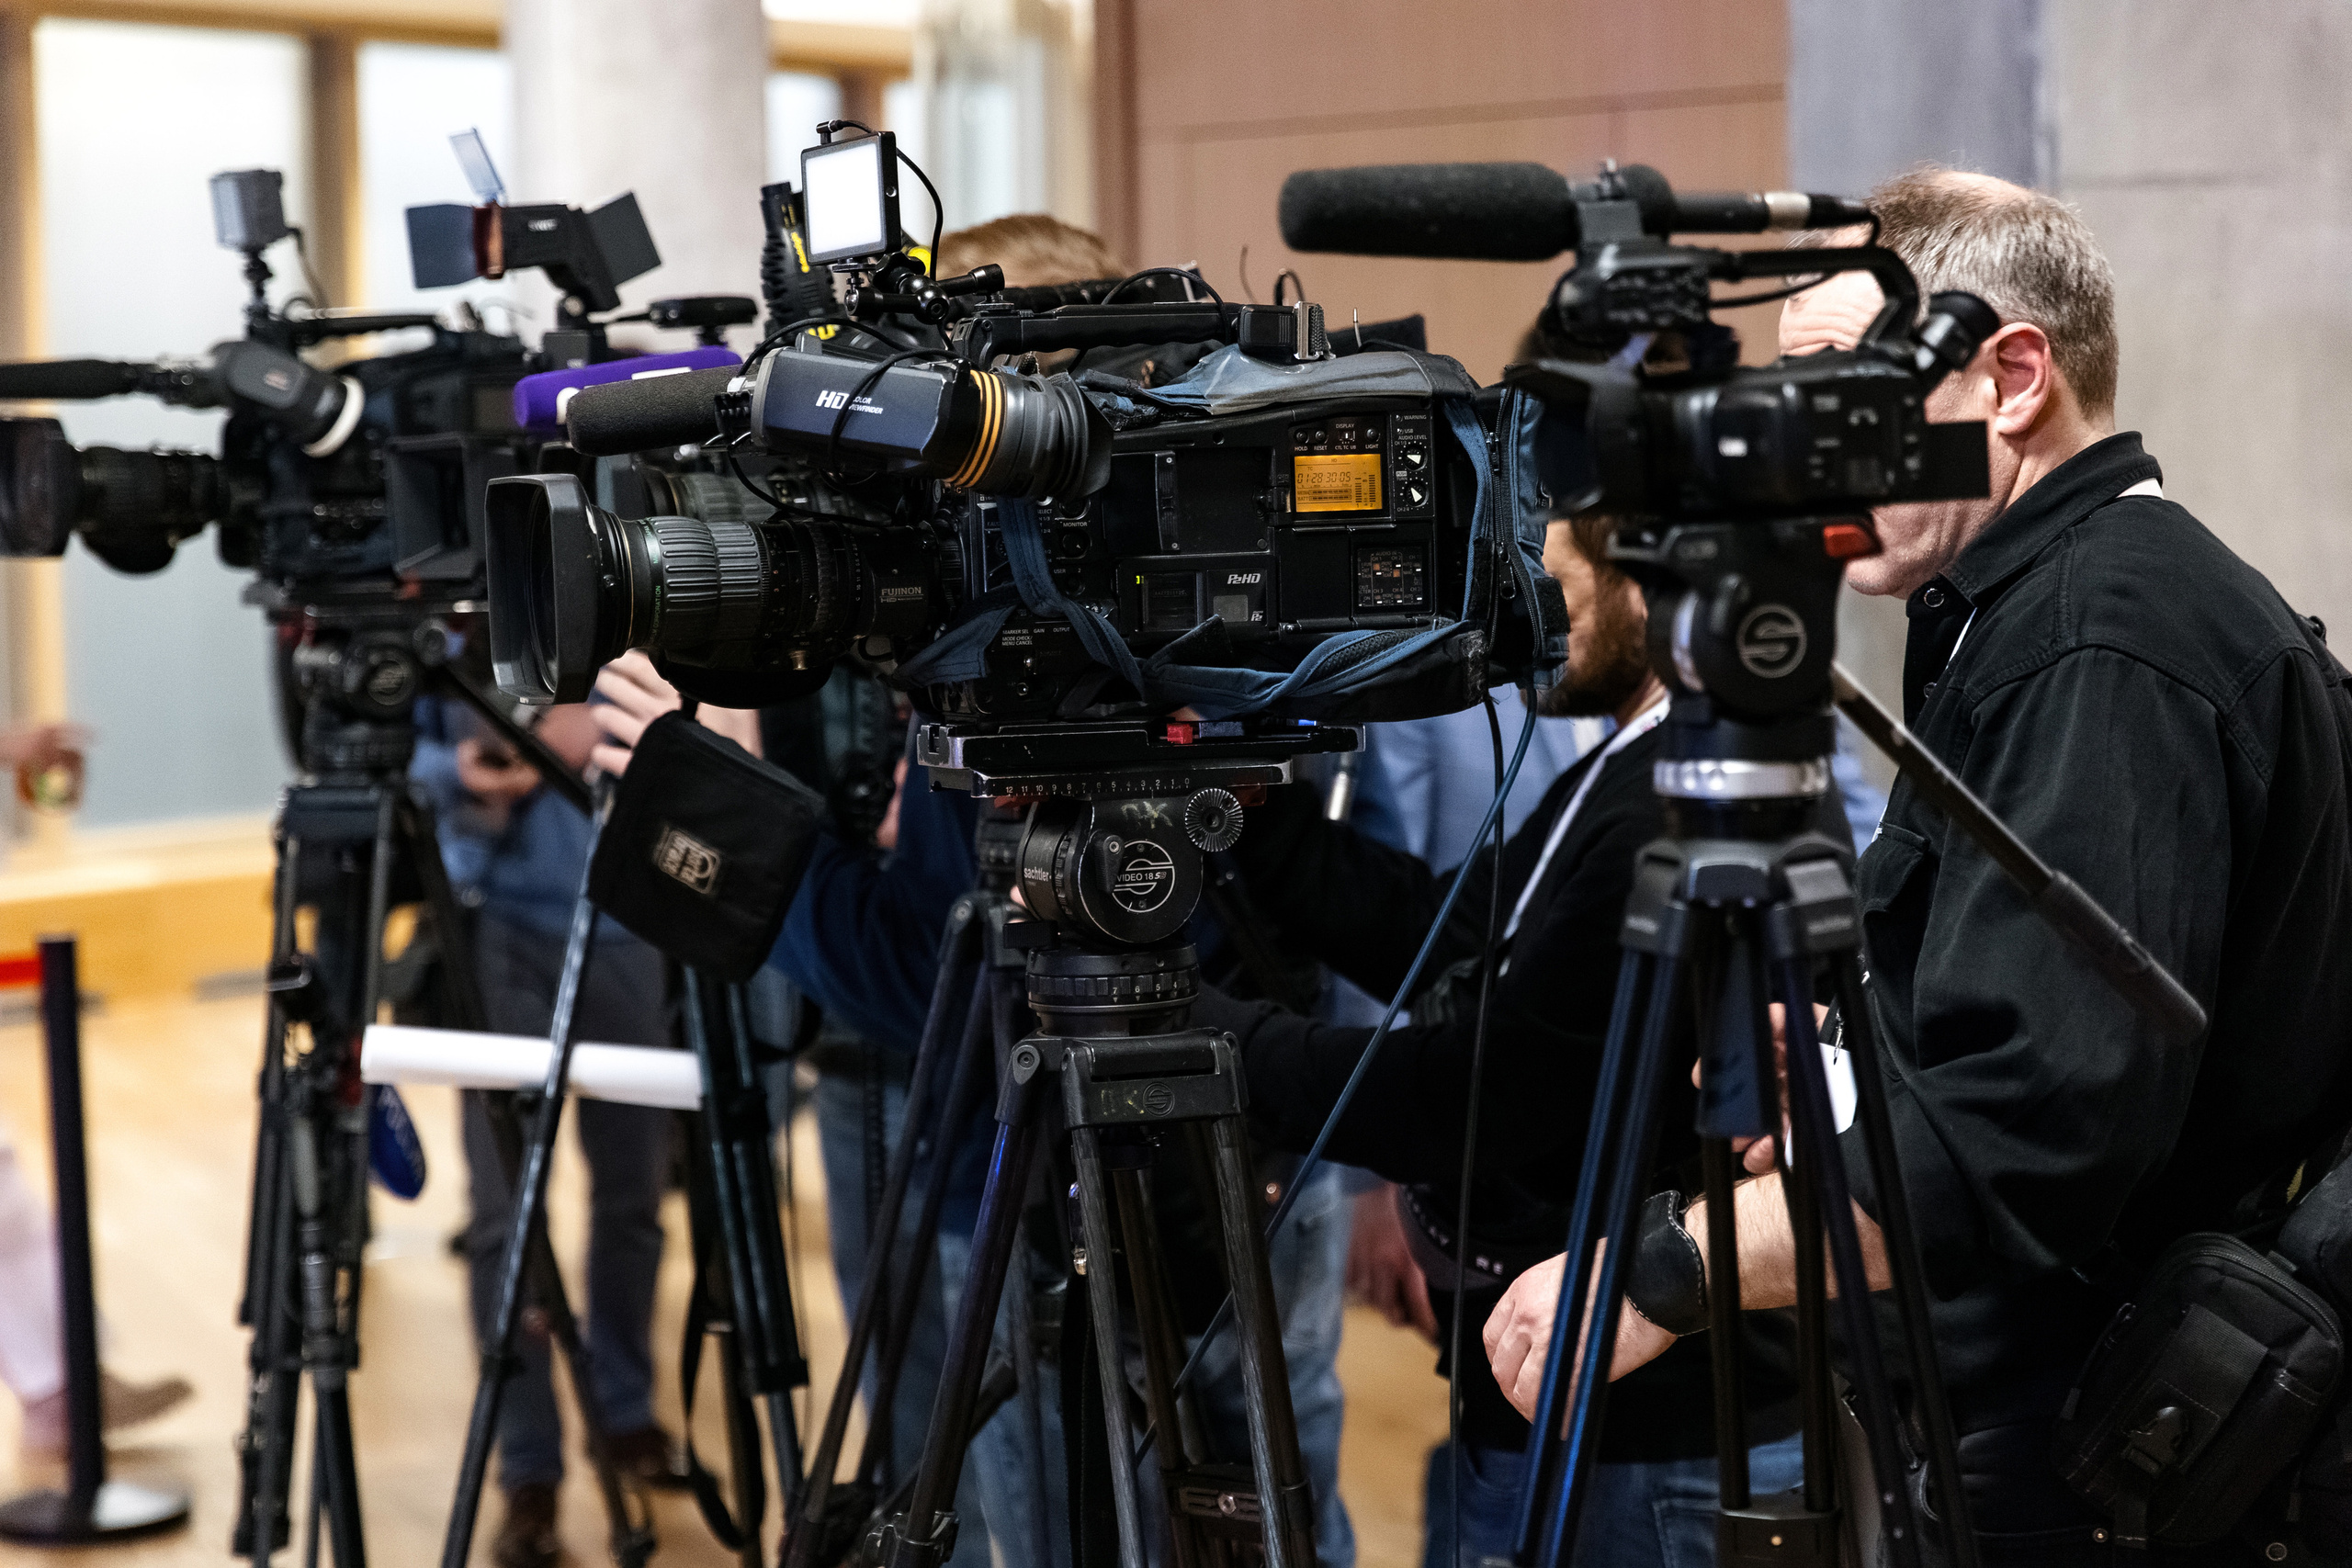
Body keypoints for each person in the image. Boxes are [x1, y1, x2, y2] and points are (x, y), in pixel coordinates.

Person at [1482, 168, 2352, 1566]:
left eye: (1842, 394)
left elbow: (2026, 1142)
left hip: (2129, 1461)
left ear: (2012, 376)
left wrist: (1664, 1267)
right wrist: (1849, 1051)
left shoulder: (2100, 641)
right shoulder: (2039, 606)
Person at [1196, 510, 1826, 1568]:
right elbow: (1432, 926)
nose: (1525, 633)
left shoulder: (1670, 807)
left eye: (1553, 600)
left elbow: (1469, 1099)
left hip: (1640, 1434)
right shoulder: (1643, 765)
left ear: (1645, 587)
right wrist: (1250, 803)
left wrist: (1209, 1041)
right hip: (1573, 1392)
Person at [412, 659, 754, 1568]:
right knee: (501, 1224)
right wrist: (476, 766)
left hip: (629, 934)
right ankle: (528, 1470)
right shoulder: (456, 624)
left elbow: (707, 762)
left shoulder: (632, 617)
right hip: (494, 935)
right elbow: (385, 756)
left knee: (633, 1198)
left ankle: (627, 1413)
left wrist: (597, 738)